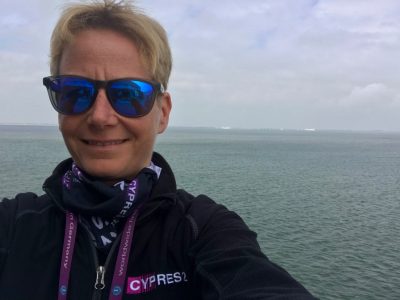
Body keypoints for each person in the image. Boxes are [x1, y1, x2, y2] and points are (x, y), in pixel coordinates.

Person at [0, 1, 317, 299]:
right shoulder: (14, 226)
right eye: (74, 92)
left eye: (128, 95)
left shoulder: (200, 231)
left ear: (162, 113)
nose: (99, 117)